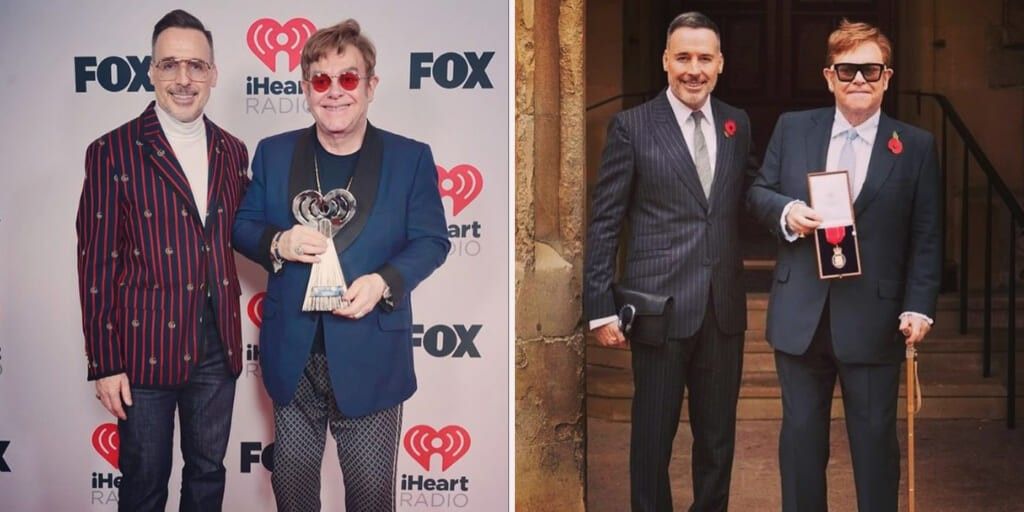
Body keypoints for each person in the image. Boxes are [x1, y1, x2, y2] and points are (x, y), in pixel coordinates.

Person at [231, 19, 449, 512]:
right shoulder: (274, 152)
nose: (335, 93)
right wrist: (280, 241)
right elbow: (242, 226)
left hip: (372, 353)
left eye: (348, 78)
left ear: (371, 86)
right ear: (306, 88)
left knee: (371, 499)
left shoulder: (409, 158)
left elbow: (432, 241)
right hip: (293, 356)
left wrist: (383, 281)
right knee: (293, 496)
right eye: (321, 80)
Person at [746, 19, 941, 512]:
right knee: (801, 446)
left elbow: (926, 235)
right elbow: (758, 193)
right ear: (829, 76)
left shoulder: (915, 145)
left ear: (887, 77)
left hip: (875, 321)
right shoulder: (793, 128)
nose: (859, 80)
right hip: (801, 317)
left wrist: (919, 307)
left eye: (870, 71)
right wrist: (788, 213)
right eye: (847, 70)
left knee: (876, 447)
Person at [75, 9, 249, 511]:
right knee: (145, 483)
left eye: (196, 66)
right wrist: (104, 363)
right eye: (170, 65)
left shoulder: (234, 151)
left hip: (218, 343)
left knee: (208, 476)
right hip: (142, 349)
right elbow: (96, 263)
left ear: (213, 73)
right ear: (150, 70)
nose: (183, 79)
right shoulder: (112, 151)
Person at [583, 11, 754, 512]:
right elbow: (605, 220)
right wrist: (599, 305)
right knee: (652, 442)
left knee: (718, 442)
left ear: (720, 64)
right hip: (659, 310)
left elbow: (749, 193)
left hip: (723, 309)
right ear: (665, 61)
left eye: (704, 58)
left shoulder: (736, 123)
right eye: (683, 57)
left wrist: (795, 209)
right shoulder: (632, 127)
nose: (693, 69)